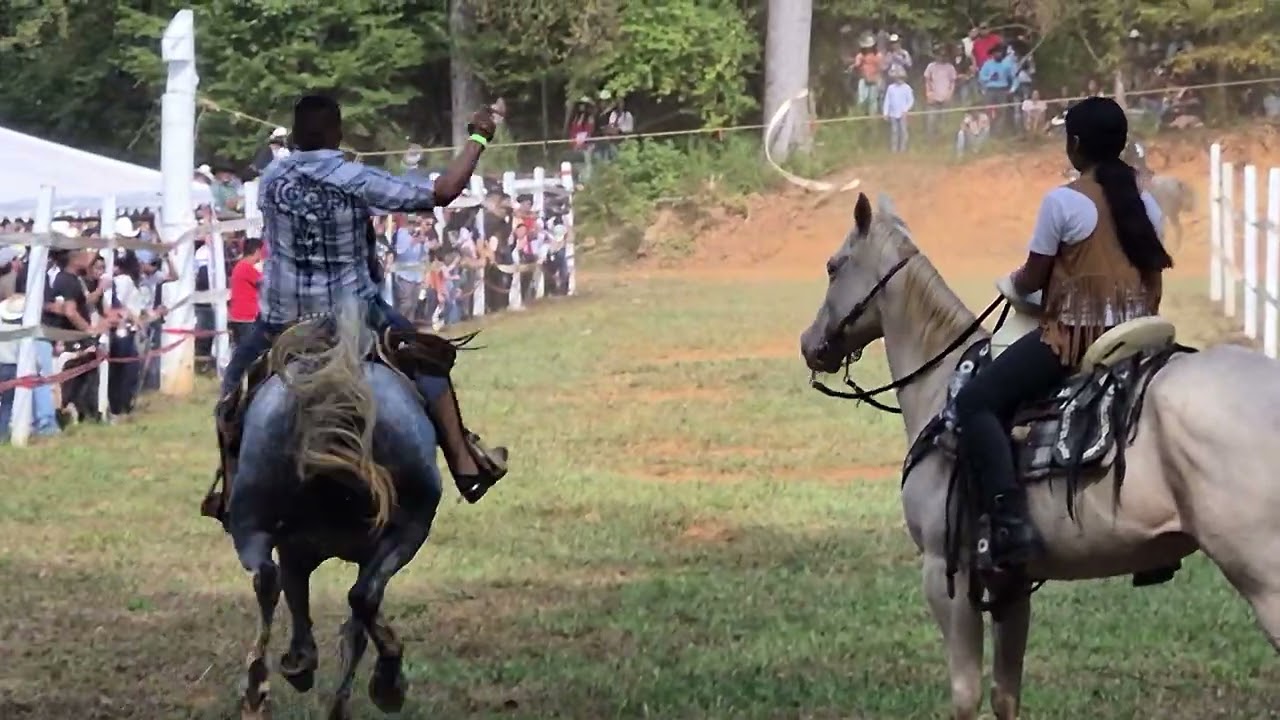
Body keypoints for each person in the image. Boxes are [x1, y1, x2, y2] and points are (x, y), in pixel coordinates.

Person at [209, 93, 508, 521]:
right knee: (430, 364)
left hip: (281, 321)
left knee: (230, 395)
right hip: (352, 316)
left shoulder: (272, 178)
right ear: (337, 132)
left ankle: (232, 490)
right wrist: (479, 137)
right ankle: (465, 465)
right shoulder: (355, 177)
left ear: (295, 135)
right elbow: (443, 192)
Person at [952, 97, 1172, 568]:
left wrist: (1010, 284)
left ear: (1074, 145)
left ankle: (1008, 520)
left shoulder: (1063, 202)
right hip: (1141, 332)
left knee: (974, 402)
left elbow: (1032, 279)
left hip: (1078, 338)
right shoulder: (1147, 202)